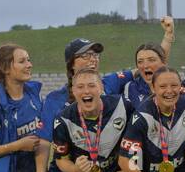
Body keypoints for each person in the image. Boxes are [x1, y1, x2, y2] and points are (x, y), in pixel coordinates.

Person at [41, 18, 174, 152]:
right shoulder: (55, 98)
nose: (93, 59)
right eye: (86, 55)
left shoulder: (110, 82)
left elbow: (152, 66)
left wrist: (168, 37)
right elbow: (44, 141)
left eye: (95, 55)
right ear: (71, 63)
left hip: (107, 167)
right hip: (71, 167)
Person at [51, 70, 132, 172]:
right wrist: (76, 169)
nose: (86, 91)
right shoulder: (63, 120)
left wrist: (128, 167)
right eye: (80, 87)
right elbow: (61, 160)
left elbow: (137, 141)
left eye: (91, 85)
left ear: (101, 88)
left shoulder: (122, 106)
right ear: (74, 91)